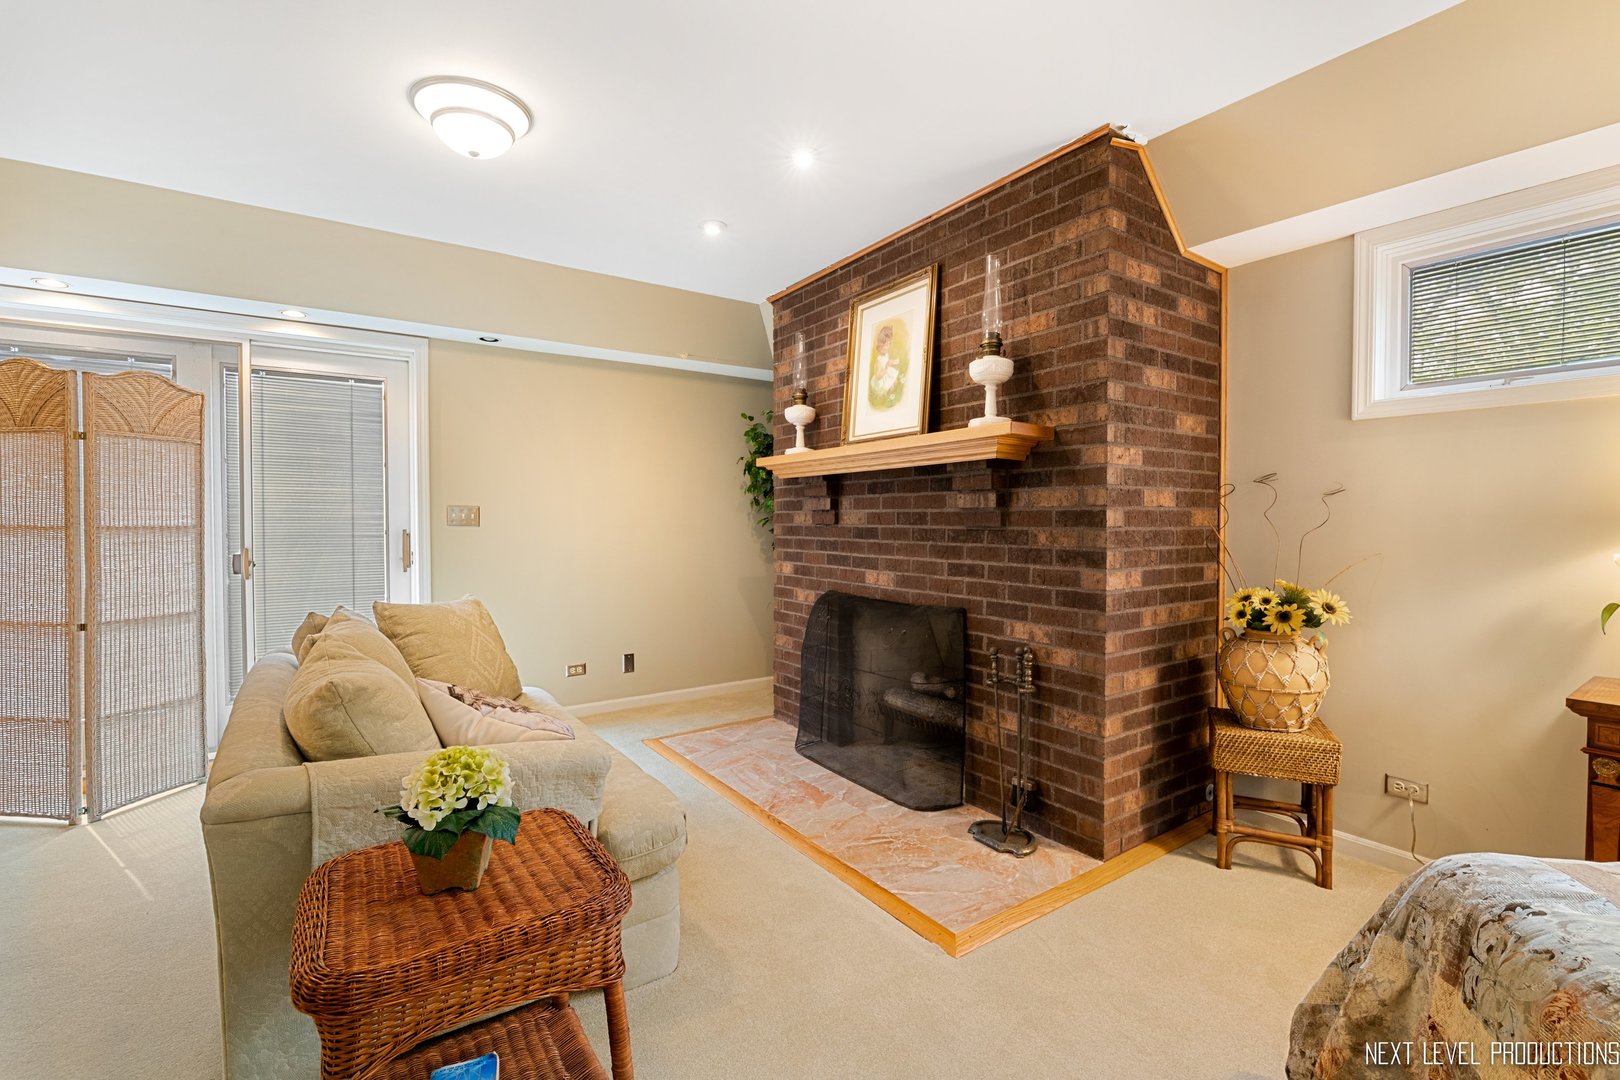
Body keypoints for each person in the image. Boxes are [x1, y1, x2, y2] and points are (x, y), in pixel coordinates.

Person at [868, 322, 906, 410]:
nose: (888, 347)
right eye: (886, 345)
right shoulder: (879, 359)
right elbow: (878, 376)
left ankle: (892, 392)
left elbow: (887, 361)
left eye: (889, 344)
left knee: (894, 378)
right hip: (880, 380)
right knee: (890, 383)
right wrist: (887, 366)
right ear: (880, 346)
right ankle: (885, 396)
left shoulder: (885, 355)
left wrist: (893, 362)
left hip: (886, 373)